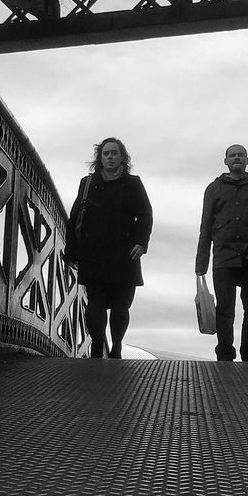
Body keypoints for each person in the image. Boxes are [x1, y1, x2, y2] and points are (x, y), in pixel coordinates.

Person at [67, 137, 153, 359]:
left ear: (122, 157)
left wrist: (141, 243)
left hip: (124, 253)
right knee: (95, 302)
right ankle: (97, 344)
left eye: (114, 153)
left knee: (120, 305)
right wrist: (71, 252)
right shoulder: (87, 184)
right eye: (106, 154)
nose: (110, 157)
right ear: (100, 157)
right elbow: (75, 217)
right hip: (93, 251)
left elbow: (145, 216)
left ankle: (116, 347)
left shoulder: (133, 184)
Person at [195, 144, 248, 362]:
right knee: (225, 308)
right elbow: (206, 226)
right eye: (232, 156)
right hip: (224, 257)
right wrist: (201, 264)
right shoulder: (213, 189)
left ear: (247, 160)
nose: (237, 158)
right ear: (226, 162)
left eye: (240, 155)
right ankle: (224, 354)